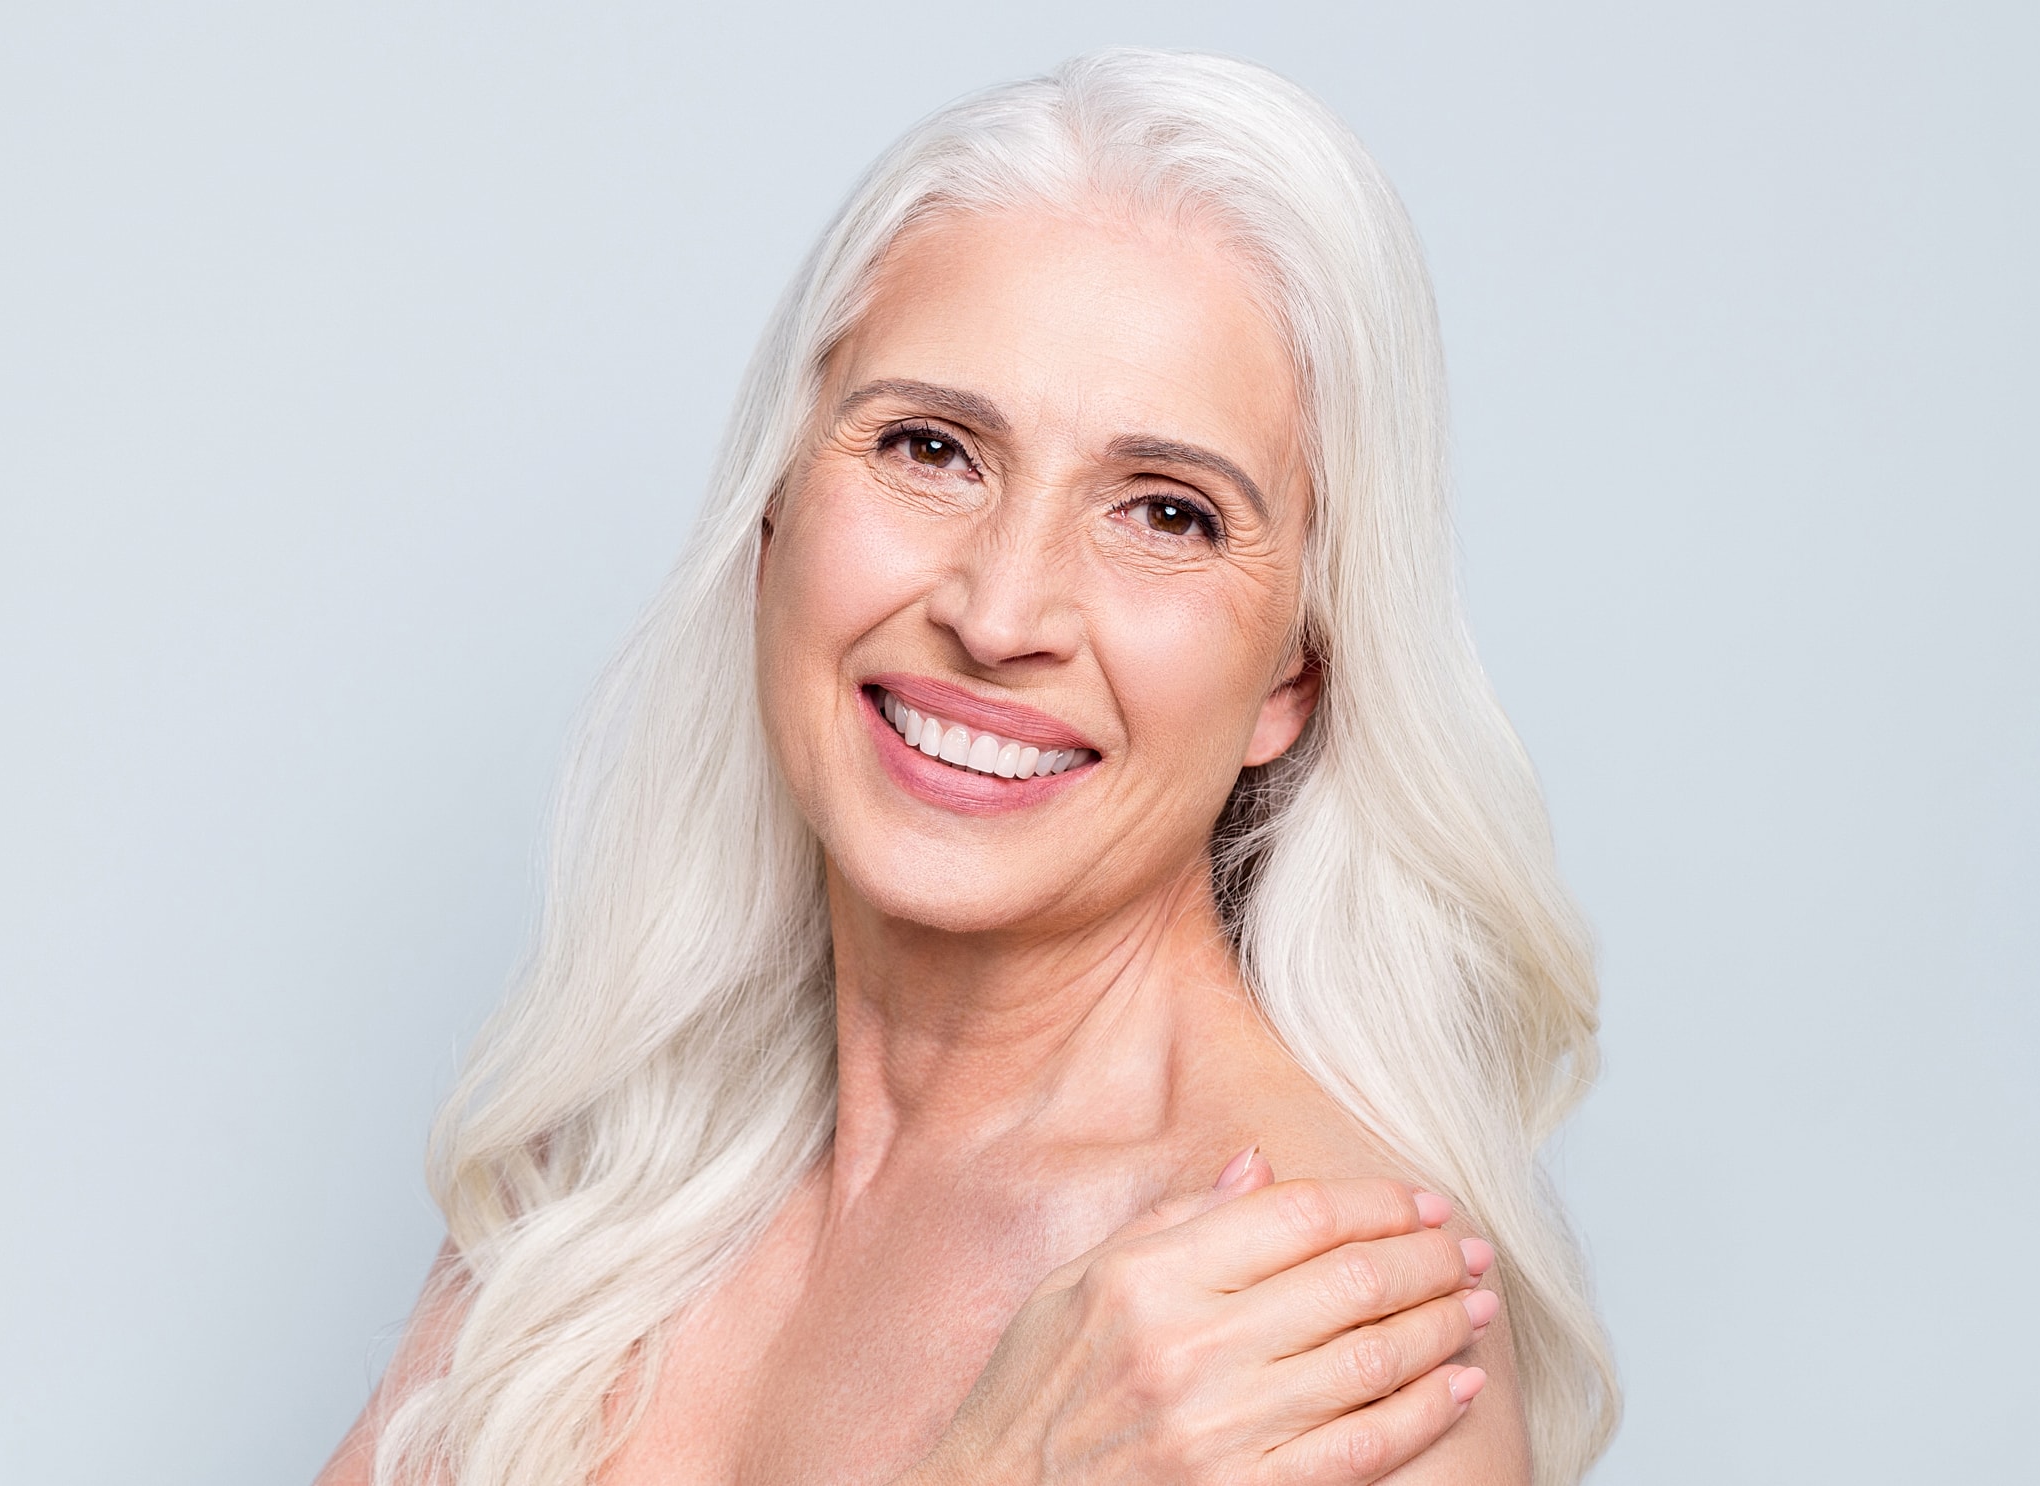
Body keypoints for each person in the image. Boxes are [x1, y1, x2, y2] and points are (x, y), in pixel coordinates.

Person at [322, 48, 1616, 1486]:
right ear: (776, 513)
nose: (999, 614)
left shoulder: (1300, 1323)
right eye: (932, 446)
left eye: (1168, 514)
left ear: (1295, 674)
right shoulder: (622, 1183)